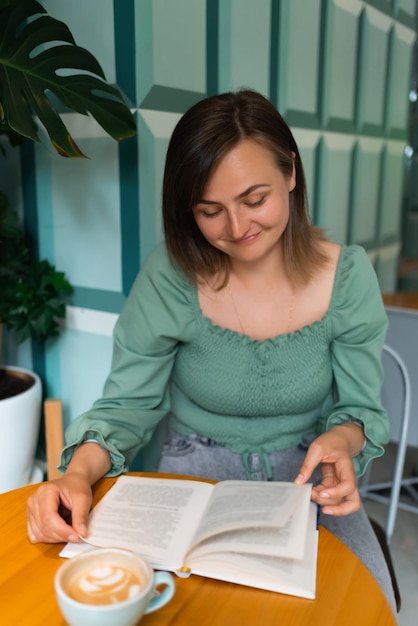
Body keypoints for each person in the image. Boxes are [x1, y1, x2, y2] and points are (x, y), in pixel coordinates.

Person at [27, 90, 396, 611]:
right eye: (210, 211)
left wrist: (342, 438)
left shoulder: (348, 278)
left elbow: (361, 410)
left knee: (355, 610)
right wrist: (73, 476)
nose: (238, 229)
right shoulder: (170, 277)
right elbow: (126, 407)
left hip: (307, 479)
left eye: (254, 200)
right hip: (190, 474)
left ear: (291, 171)